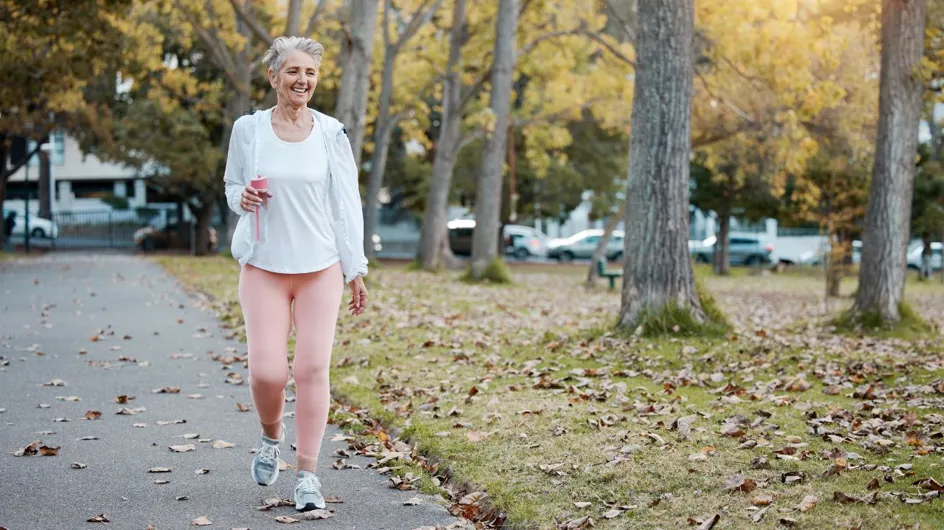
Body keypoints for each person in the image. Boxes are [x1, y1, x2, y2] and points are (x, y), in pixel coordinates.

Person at [222, 36, 369, 512]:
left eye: (309, 73)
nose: (301, 80)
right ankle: (271, 437)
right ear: (274, 78)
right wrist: (240, 197)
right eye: (292, 72)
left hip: (320, 267)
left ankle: (307, 475)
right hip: (264, 263)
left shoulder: (331, 133)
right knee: (267, 372)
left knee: (310, 370)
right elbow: (232, 184)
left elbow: (347, 204)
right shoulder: (249, 130)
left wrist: (355, 268)